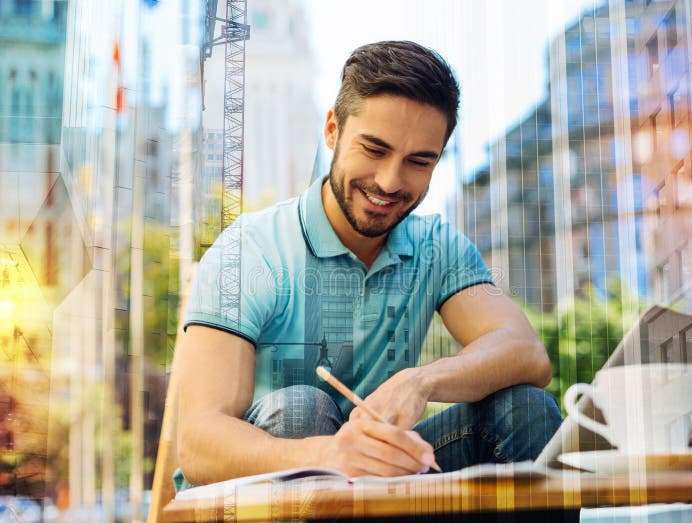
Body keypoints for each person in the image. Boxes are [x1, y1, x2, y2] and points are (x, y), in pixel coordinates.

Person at [175, 40, 561, 490]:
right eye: (375, 150)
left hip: (379, 497)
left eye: (419, 161)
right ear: (333, 130)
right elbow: (199, 444)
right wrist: (332, 454)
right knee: (303, 410)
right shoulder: (250, 250)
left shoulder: (435, 245)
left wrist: (420, 381)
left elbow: (526, 354)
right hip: (260, 502)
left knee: (527, 410)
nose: (390, 181)